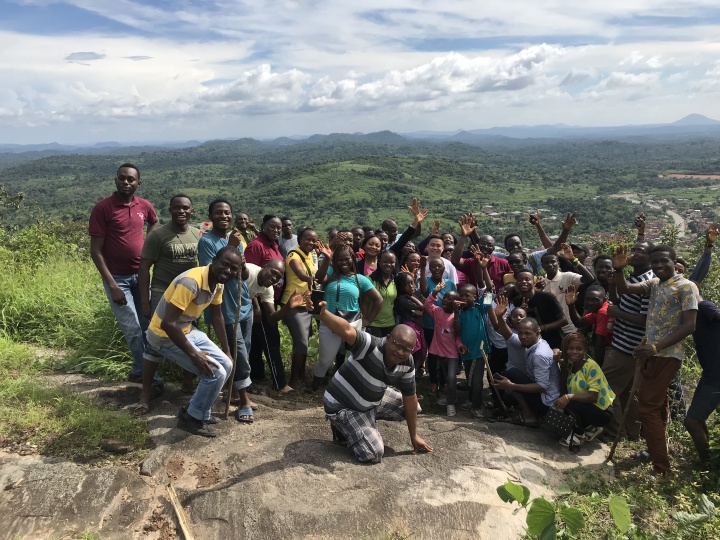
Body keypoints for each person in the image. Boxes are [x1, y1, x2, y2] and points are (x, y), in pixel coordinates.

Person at [613, 243, 699, 477]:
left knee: (647, 409)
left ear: (674, 262)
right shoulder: (655, 284)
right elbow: (626, 290)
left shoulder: (686, 287)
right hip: (650, 353)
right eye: (655, 262)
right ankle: (656, 453)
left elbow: (690, 325)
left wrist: (655, 347)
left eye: (664, 261)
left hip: (666, 355)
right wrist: (619, 270)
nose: (659, 265)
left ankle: (662, 470)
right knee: (658, 407)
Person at [317, 299, 433, 463]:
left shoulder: (407, 363)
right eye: (397, 344)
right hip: (342, 404)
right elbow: (346, 329)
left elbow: (410, 397)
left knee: (412, 408)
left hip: (370, 401)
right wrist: (323, 314)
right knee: (373, 453)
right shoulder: (370, 345)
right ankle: (342, 426)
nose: (400, 352)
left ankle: (363, 423)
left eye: (406, 349)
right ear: (388, 338)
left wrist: (414, 436)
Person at [144, 246, 240, 437]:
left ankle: (199, 410)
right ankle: (191, 418)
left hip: (186, 329)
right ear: (214, 261)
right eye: (224, 264)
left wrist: (227, 349)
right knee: (214, 373)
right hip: (164, 335)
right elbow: (168, 323)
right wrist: (194, 354)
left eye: (233, 269)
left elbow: (217, 315)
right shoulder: (192, 282)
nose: (228, 271)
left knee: (227, 364)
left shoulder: (218, 283)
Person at [88, 163, 162, 390]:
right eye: (122, 178)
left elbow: (155, 221)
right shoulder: (103, 208)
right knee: (131, 328)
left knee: (147, 326)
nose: (126, 182)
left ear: (138, 183)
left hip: (141, 276)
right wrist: (112, 285)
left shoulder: (144, 205)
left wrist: (149, 244)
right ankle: (152, 380)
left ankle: (140, 370)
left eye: (131, 179)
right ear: (116, 180)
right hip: (117, 278)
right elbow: (96, 251)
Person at [135, 194, 200, 413]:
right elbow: (144, 268)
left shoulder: (197, 234)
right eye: (177, 208)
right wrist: (145, 302)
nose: (181, 212)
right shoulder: (159, 235)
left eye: (185, 208)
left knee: (189, 337)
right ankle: (145, 394)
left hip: (190, 297)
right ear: (170, 210)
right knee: (156, 342)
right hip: (163, 294)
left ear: (192, 211)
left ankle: (188, 383)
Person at [601, 240, 653, 442]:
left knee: (605, 387)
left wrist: (619, 314)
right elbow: (619, 300)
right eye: (634, 249)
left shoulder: (649, 281)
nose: (635, 253)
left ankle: (614, 431)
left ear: (650, 257)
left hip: (629, 347)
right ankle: (632, 433)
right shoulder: (633, 276)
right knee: (628, 394)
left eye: (641, 251)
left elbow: (645, 320)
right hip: (623, 342)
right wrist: (613, 284)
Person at [312, 243, 383, 391]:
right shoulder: (331, 273)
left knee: (354, 358)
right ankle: (315, 383)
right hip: (329, 322)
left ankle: (352, 386)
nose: (343, 263)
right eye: (339, 260)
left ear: (353, 259)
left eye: (347, 259)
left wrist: (369, 319)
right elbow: (318, 279)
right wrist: (327, 260)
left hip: (353, 325)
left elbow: (378, 299)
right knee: (325, 359)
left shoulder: (360, 279)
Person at [244, 214, 294, 394]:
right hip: (258, 303)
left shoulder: (274, 245)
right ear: (263, 226)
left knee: (257, 341)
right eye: (272, 227)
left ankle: (256, 374)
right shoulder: (256, 246)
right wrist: (255, 306)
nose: (276, 230)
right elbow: (248, 280)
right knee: (271, 341)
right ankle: (279, 383)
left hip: (269, 299)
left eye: (278, 228)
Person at [491, 316, 561, 426]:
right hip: (545, 396)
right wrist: (499, 317)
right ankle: (528, 411)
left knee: (511, 375)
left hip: (547, 403)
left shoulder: (539, 354)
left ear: (537, 331)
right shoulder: (537, 342)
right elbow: (508, 335)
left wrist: (511, 386)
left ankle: (530, 416)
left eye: (527, 333)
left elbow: (542, 386)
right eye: (520, 333)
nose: (523, 337)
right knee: (509, 379)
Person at [553, 333, 615, 446]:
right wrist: (556, 351)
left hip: (603, 411)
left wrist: (568, 397)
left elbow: (593, 397)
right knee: (567, 403)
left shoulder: (591, 366)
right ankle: (590, 428)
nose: (574, 352)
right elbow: (558, 354)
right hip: (589, 408)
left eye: (579, 349)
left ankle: (578, 436)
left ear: (585, 350)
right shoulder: (570, 365)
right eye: (570, 348)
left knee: (569, 402)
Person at [685, 297, 720, 462]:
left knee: (692, 421)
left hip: (716, 375)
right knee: (697, 419)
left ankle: (708, 464)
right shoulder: (689, 312)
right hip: (710, 373)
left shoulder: (703, 306)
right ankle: (710, 457)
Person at [283, 227, 318, 388]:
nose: (311, 242)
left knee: (303, 343)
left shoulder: (311, 255)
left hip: (307, 305)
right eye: (308, 239)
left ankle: (301, 377)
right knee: (301, 343)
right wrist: (309, 278)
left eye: (313, 240)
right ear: (299, 240)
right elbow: (299, 272)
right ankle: (294, 380)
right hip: (293, 305)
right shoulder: (293, 254)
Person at [420, 255, 458, 395]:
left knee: (446, 356)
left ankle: (444, 382)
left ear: (444, 268)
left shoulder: (450, 283)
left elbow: (456, 300)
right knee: (433, 355)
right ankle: (434, 382)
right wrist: (423, 268)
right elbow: (424, 290)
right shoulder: (427, 281)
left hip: (448, 327)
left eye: (439, 266)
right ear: (430, 269)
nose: (436, 268)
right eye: (433, 266)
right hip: (431, 325)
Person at [424, 281, 463, 416]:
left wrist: (460, 346)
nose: (447, 300)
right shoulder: (438, 312)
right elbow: (427, 305)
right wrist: (434, 292)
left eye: (452, 299)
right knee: (446, 376)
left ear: (457, 303)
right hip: (439, 351)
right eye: (445, 297)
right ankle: (451, 397)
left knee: (452, 377)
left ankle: (451, 403)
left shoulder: (457, 316)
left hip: (452, 353)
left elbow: (458, 334)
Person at [454, 283, 492, 418]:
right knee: (469, 378)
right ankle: (471, 401)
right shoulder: (460, 312)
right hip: (467, 352)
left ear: (475, 297)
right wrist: (455, 312)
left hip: (479, 351)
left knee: (476, 380)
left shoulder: (480, 308)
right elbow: (457, 330)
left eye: (467, 295)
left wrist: (484, 276)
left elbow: (488, 294)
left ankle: (476, 406)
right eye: (461, 295)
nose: (463, 298)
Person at [539, 246, 595, 335]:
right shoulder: (541, 283)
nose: (550, 264)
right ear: (542, 265)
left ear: (558, 263)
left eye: (553, 262)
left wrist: (574, 260)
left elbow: (589, 278)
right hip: (551, 328)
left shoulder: (568, 276)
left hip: (570, 327)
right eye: (546, 262)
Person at [451, 215, 510, 292]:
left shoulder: (503, 263)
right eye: (483, 243)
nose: (485, 246)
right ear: (478, 245)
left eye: (489, 245)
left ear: (493, 249)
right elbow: (455, 261)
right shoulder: (471, 262)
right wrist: (463, 236)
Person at [514, 268, 567, 349]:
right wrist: (522, 312)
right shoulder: (517, 302)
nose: (524, 282)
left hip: (554, 343)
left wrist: (542, 328)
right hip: (532, 346)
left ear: (533, 282)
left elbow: (563, 320)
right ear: (516, 283)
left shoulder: (547, 297)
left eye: (527, 279)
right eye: (520, 280)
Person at [565, 284, 613, 365]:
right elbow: (579, 323)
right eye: (588, 299)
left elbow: (600, 342)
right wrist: (571, 305)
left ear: (604, 300)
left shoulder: (603, 311)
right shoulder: (597, 310)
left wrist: (598, 366)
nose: (590, 303)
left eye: (595, 300)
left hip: (612, 349)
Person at [394, 271, 426, 375]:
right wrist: (411, 297)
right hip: (411, 327)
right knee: (411, 351)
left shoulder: (414, 294)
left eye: (412, 283)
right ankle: (406, 371)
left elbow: (421, 310)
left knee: (421, 351)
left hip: (418, 326)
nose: (411, 286)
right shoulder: (402, 299)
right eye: (407, 284)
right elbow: (422, 306)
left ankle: (414, 369)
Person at [367, 251, 399, 338]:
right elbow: (364, 302)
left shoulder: (396, 280)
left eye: (392, 262)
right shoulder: (369, 279)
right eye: (385, 261)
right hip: (373, 324)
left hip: (390, 323)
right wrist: (367, 320)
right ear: (379, 262)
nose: (388, 264)